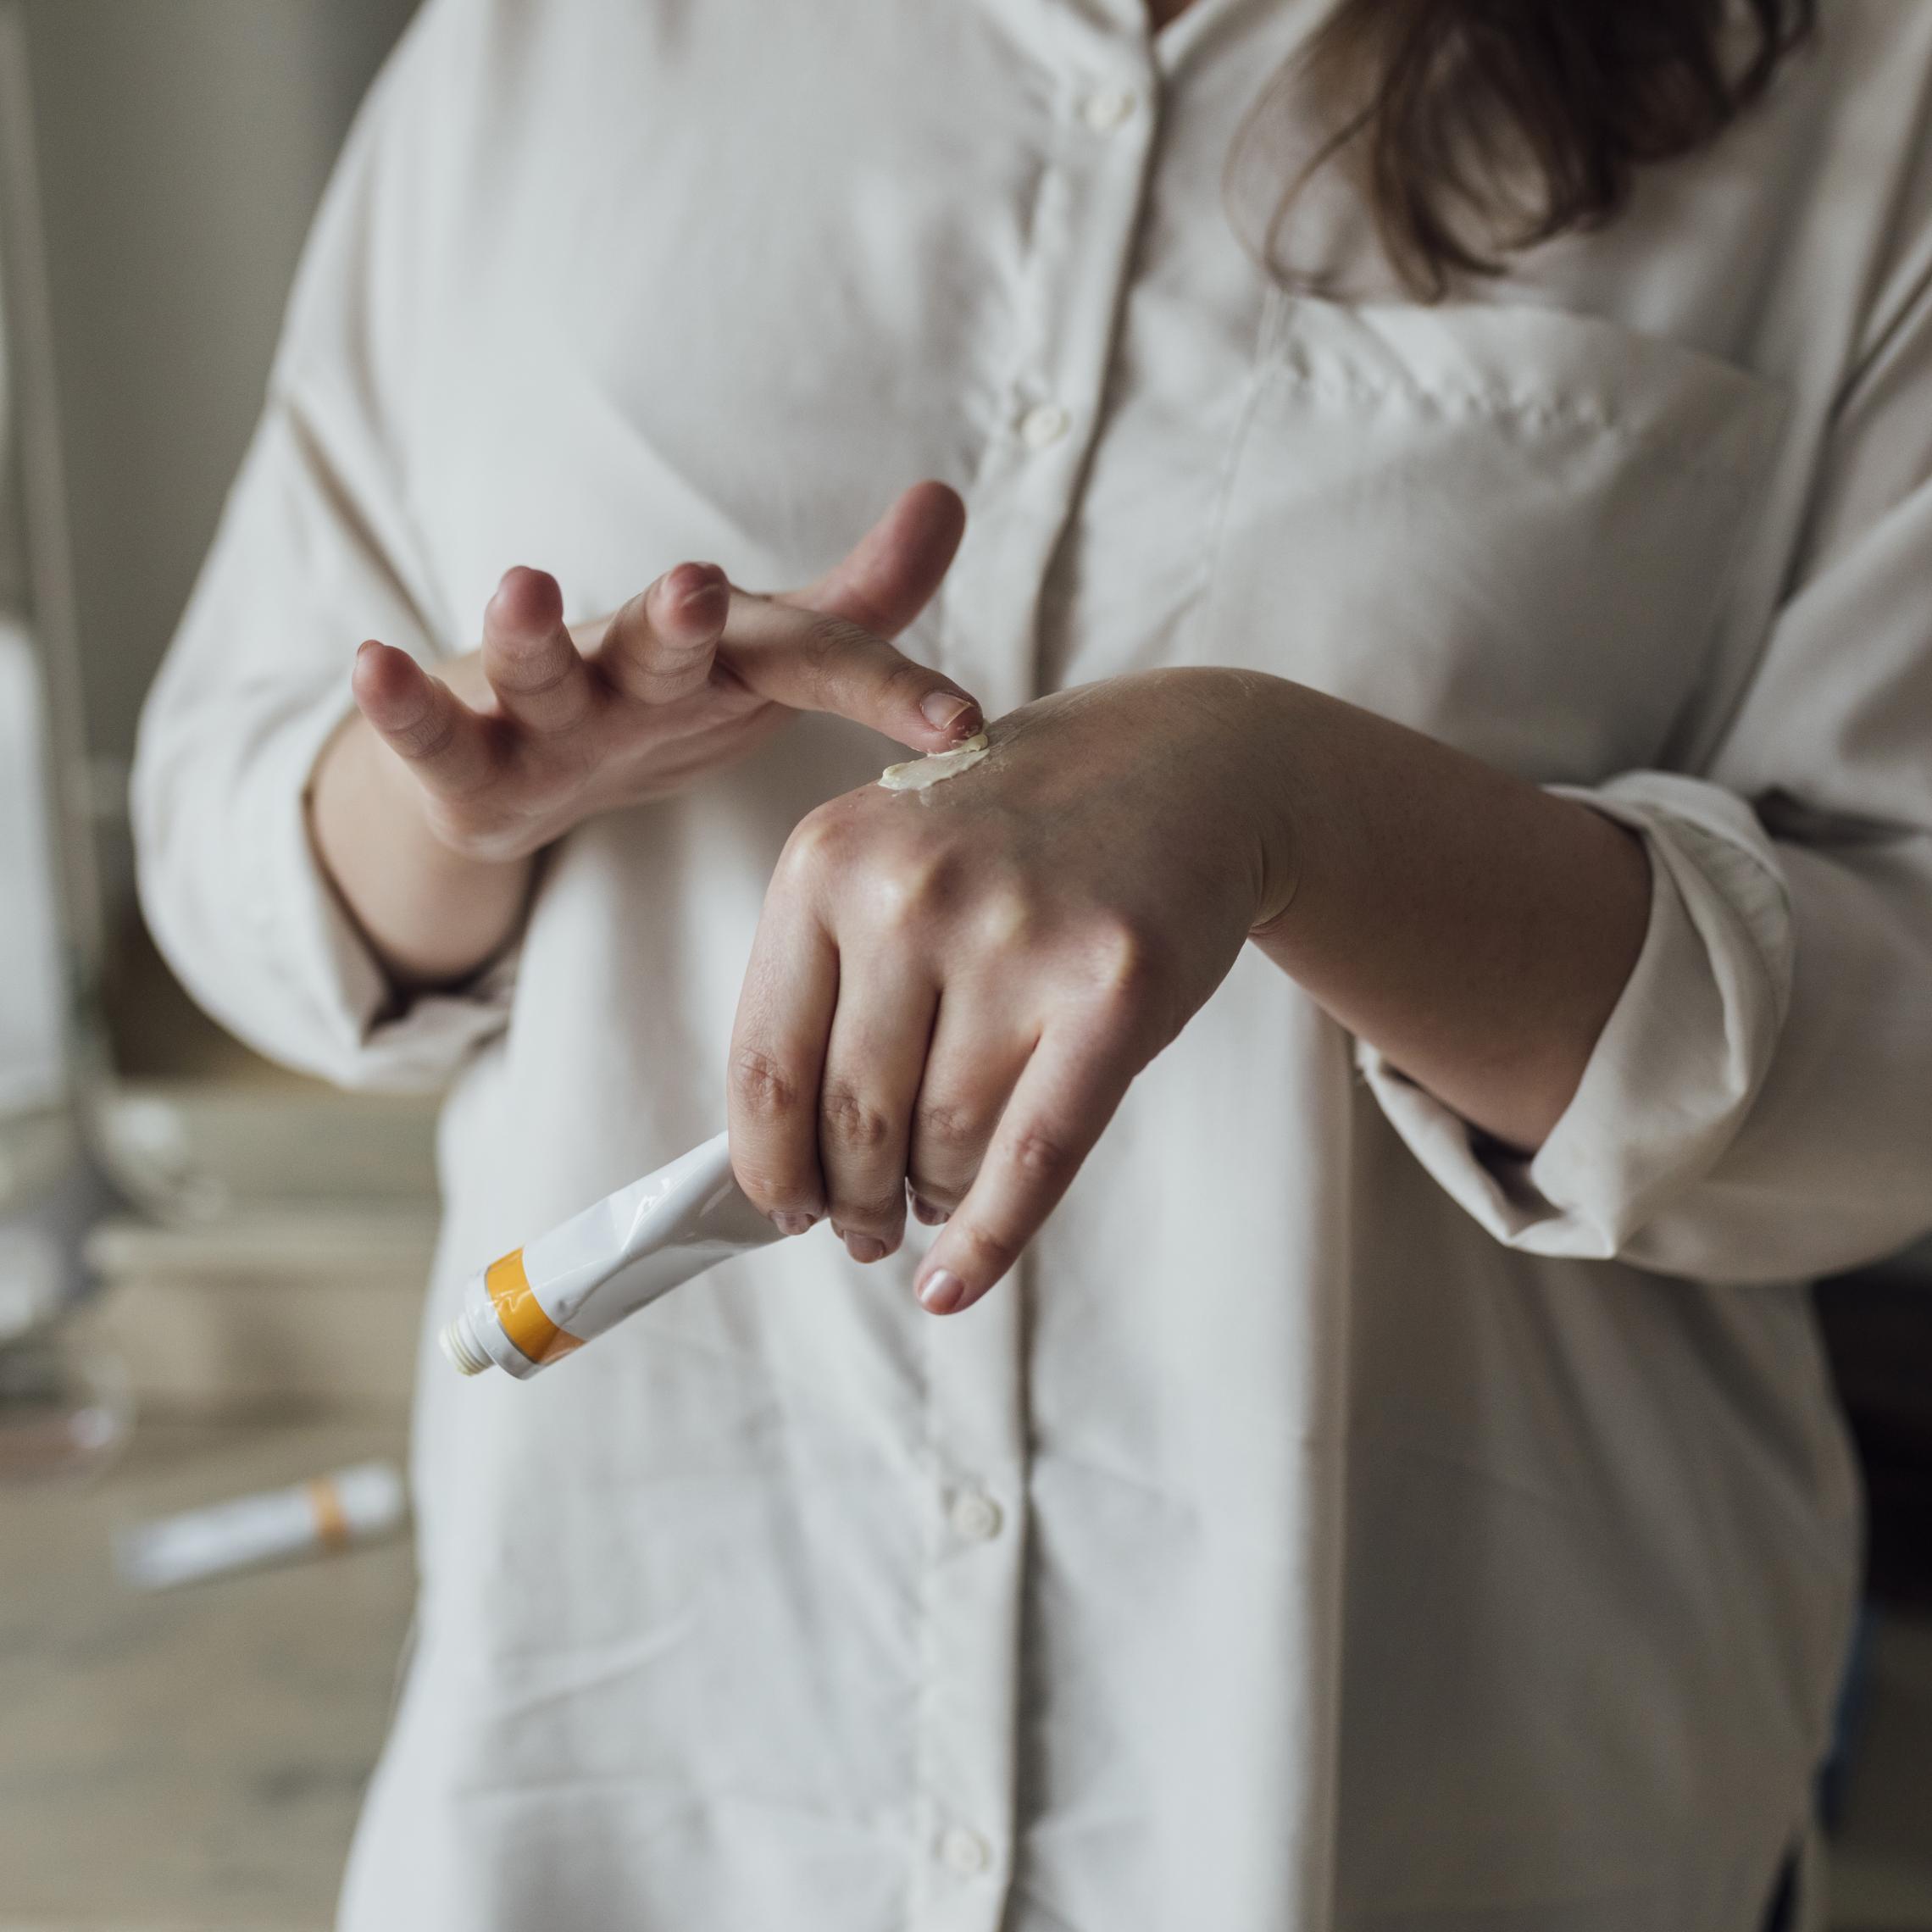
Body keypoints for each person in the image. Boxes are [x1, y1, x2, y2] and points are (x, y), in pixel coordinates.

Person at [132, 0, 1931, 1924]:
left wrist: (1304, 806)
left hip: (1466, 1818)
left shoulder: (1856, 88)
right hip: (637, 1806)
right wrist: (456, 799)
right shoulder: (534, 51)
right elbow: (219, 827)